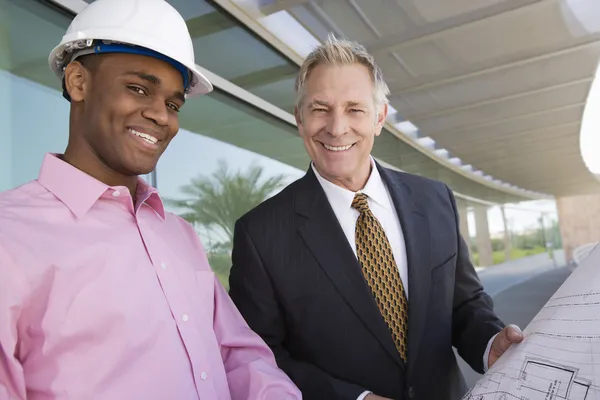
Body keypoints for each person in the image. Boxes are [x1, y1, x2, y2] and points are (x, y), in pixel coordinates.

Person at [0, 0, 301, 399]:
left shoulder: (178, 235)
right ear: (78, 82)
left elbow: (239, 359)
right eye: (138, 89)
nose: (162, 116)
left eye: (174, 104)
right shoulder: (10, 237)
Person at [228, 35, 523, 400]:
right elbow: (262, 359)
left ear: (379, 118)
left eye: (355, 109)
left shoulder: (435, 200)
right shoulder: (259, 235)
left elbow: (463, 303)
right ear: (299, 118)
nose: (337, 128)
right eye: (320, 108)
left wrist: (489, 341)